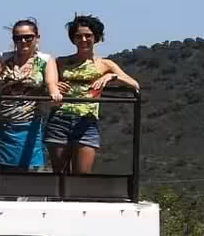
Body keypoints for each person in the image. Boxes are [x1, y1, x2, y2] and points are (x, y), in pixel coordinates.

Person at [45, 14, 140, 174]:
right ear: (73, 39)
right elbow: (47, 83)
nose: (83, 39)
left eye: (88, 35)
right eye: (78, 36)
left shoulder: (105, 64)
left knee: (82, 176)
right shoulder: (59, 62)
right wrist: (54, 86)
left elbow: (135, 84)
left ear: (96, 38)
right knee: (59, 175)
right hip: (59, 119)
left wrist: (111, 76)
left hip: (87, 122)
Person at [0, 19, 61, 172]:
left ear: (37, 37)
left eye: (28, 37)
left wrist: (54, 93)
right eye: (18, 38)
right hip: (3, 126)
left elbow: (51, 83)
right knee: (3, 173)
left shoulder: (45, 60)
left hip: (30, 125)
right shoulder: (3, 58)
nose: (23, 41)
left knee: (30, 171)